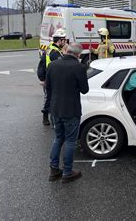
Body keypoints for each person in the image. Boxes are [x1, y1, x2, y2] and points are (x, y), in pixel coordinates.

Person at [46, 42, 89, 183]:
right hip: (71, 110)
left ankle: (53, 170)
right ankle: (68, 172)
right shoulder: (79, 67)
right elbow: (84, 89)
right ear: (78, 54)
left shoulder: (52, 65)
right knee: (70, 141)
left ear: (66, 51)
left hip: (55, 109)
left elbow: (48, 88)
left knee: (58, 138)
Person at [41, 29, 67, 125]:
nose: (65, 42)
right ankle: (48, 118)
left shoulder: (51, 48)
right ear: (59, 41)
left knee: (50, 97)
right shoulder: (55, 53)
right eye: (64, 40)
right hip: (53, 79)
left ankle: (49, 117)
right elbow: (62, 66)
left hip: (50, 77)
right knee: (51, 98)